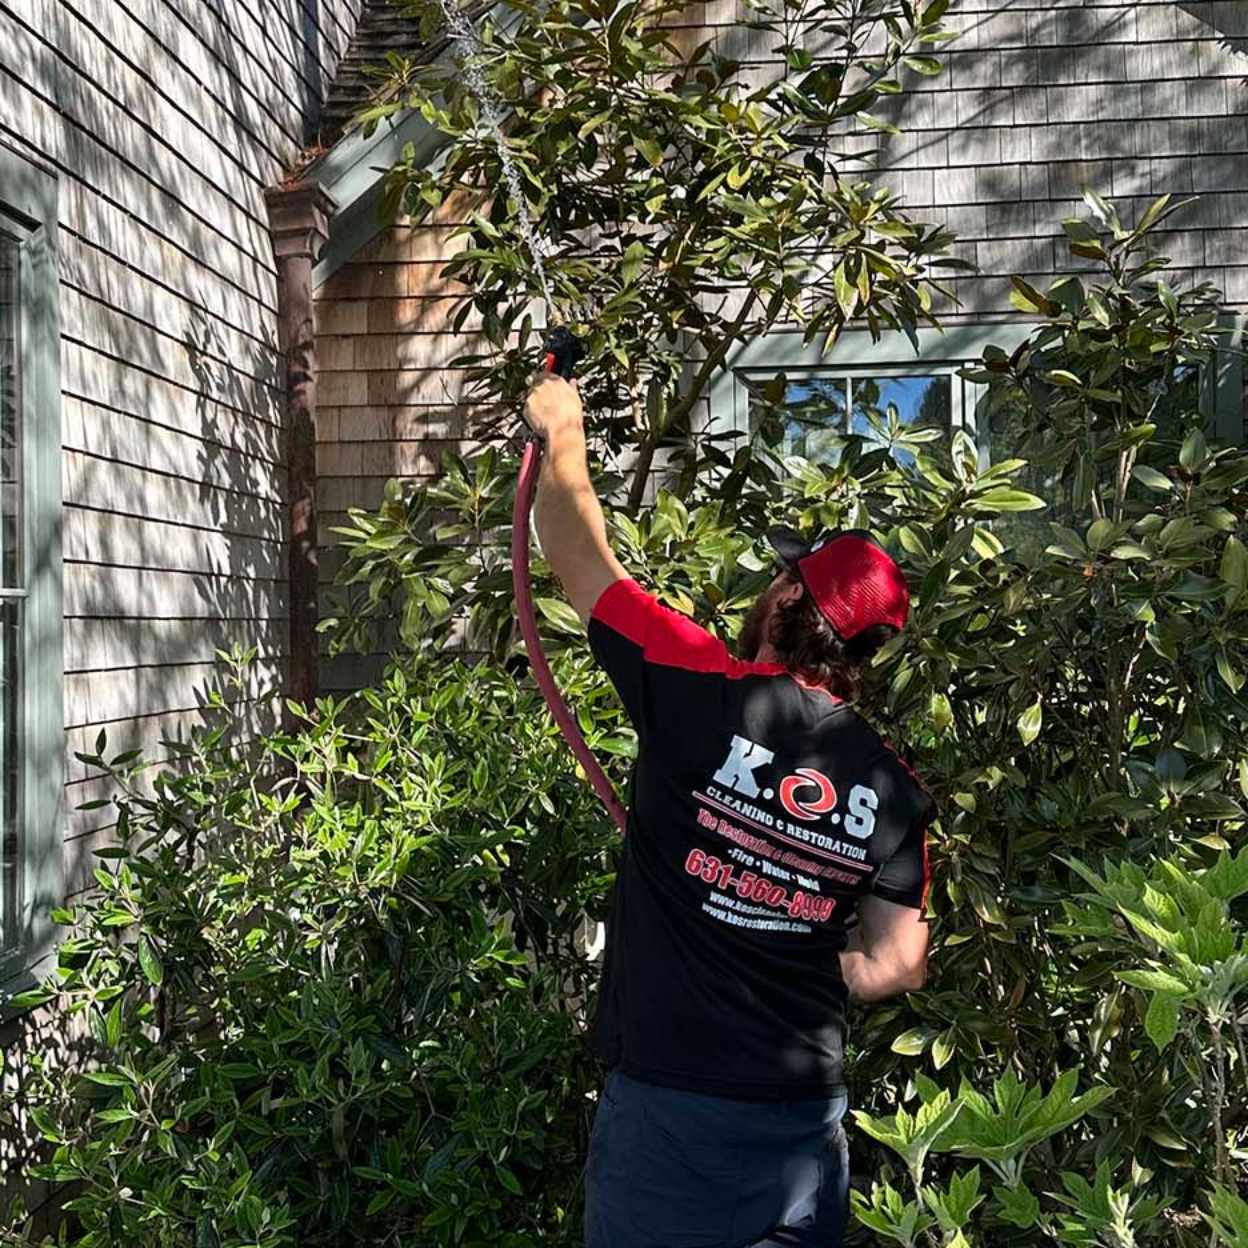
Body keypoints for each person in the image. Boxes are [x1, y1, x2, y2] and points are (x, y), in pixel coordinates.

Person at [523, 370, 935, 1248]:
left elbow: (573, 549)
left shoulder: (694, 685)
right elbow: (899, 963)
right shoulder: (893, 790)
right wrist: (804, 954)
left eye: (782, 576)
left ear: (787, 599)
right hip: (803, 1130)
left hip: (670, 1120)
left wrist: (563, 426)